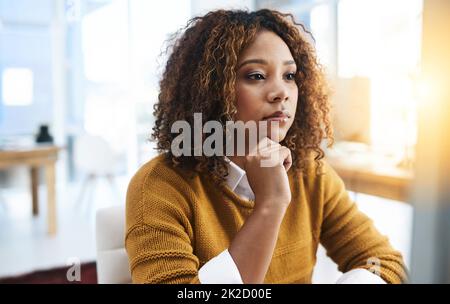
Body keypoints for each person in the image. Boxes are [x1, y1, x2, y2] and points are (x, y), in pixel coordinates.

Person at [125, 9, 407, 284]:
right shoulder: (159, 186)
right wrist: (270, 204)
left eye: (290, 76)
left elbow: (384, 262)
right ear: (210, 90)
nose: (281, 92)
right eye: (256, 76)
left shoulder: (311, 173)